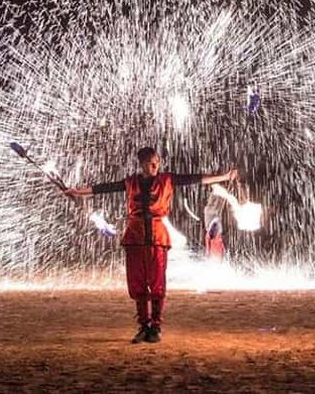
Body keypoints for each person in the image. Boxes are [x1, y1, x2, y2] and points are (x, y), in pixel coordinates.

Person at [65, 147, 237, 344]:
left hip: (156, 236)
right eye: (150, 163)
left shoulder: (167, 180)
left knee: (156, 283)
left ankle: (155, 326)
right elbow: (103, 188)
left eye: (156, 161)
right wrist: (78, 192)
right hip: (135, 236)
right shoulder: (130, 182)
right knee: (138, 283)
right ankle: (143, 325)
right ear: (142, 164)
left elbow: (196, 178)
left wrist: (224, 176)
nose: (155, 165)